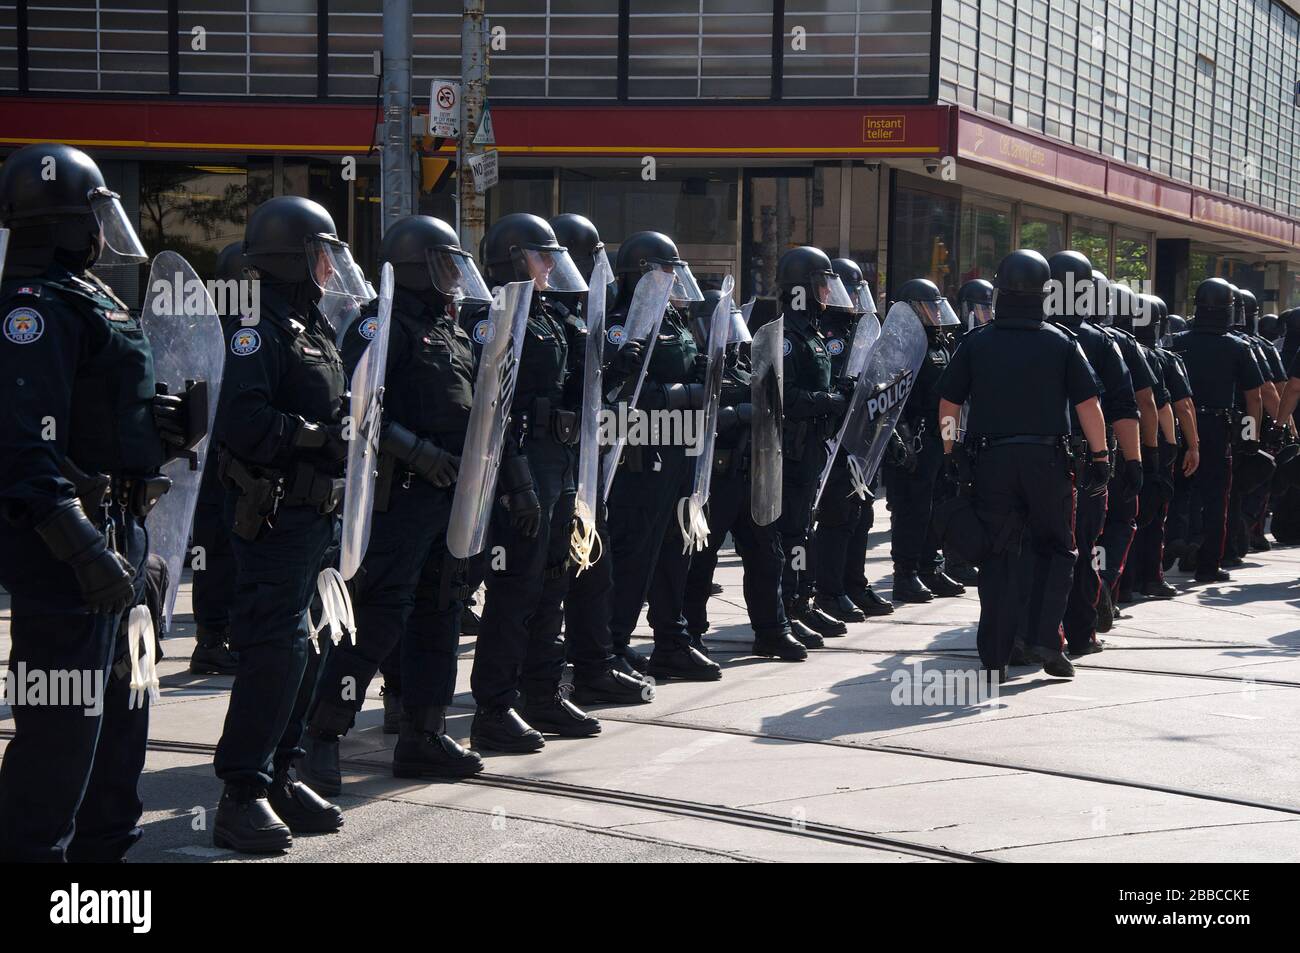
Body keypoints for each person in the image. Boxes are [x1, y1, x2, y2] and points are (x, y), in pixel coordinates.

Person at [0, 142, 179, 861]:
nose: (106, 230)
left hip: (122, 528)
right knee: (62, 724)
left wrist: (154, 425)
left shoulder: (86, 294)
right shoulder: (32, 310)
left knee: (122, 710)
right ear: (63, 221)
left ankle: (103, 866)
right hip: (69, 548)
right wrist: (80, 545)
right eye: (94, 214)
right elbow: (22, 448)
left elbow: (92, 409)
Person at [297, 215, 487, 794]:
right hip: (398, 499)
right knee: (377, 620)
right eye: (444, 263)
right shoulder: (380, 324)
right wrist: (418, 452)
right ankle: (323, 733)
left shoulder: (447, 327)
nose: (454, 275)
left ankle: (423, 734)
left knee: (441, 612)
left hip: (450, 498)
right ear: (416, 267)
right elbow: (356, 407)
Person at [211, 195, 363, 852]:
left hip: (316, 513)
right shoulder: (255, 327)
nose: (330, 266)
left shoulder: (312, 324)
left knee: (311, 648)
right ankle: (242, 789)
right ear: (291, 257)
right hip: (272, 515)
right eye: (319, 253)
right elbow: (240, 421)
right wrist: (314, 438)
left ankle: (282, 771)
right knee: (275, 652)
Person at [463, 213, 602, 752]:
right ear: (514, 257)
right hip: (518, 464)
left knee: (553, 582)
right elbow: (493, 405)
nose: (551, 265)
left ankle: (542, 692)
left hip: (557, 460)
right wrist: (515, 480)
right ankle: (493, 707)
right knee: (514, 589)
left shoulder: (544, 314)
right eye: (540, 255)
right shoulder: (493, 314)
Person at [936, 249, 1108, 679]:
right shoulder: (1061, 342)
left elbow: (949, 403)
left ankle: (996, 650)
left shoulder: (976, 342)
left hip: (991, 460)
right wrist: (1102, 456)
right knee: (1056, 550)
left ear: (1000, 290)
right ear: (1045, 292)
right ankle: (1046, 642)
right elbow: (1089, 405)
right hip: (1047, 462)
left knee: (998, 552)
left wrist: (950, 452)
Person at [599, 231, 721, 680]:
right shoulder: (622, 323)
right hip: (639, 452)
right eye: (665, 270)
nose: (673, 278)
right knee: (636, 553)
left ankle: (672, 640)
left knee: (676, 548)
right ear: (642, 274)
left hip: (678, 450)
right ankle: (613, 644)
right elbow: (622, 392)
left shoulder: (672, 320)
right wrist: (693, 391)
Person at [543, 212, 653, 704]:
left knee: (595, 570)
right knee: (543, 588)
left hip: (582, 468)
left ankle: (595, 665)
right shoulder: (539, 318)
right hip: (545, 469)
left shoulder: (579, 317)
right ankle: (540, 685)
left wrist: (612, 373)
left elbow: (586, 396)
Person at [677, 291, 807, 661]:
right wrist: (737, 414)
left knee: (768, 557)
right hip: (710, 480)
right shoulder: (693, 367)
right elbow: (690, 419)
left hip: (751, 477)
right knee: (699, 562)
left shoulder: (742, 365)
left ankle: (772, 630)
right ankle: (690, 633)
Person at [1043, 251, 1138, 655]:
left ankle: (1034, 632)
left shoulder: (1020, 333)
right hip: (1086, 462)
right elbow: (1124, 407)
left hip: (1033, 461)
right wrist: (1132, 461)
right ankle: (1080, 634)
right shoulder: (1102, 342)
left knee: (1034, 548)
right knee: (1084, 547)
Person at [775, 246, 858, 644]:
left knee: (803, 528)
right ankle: (788, 606)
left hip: (811, 447)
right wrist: (832, 401)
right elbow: (787, 398)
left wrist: (841, 391)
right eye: (822, 284)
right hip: (791, 450)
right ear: (802, 287)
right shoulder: (787, 336)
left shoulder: (812, 331)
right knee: (792, 531)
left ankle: (802, 601)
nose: (828, 292)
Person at [809, 258, 894, 620]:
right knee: (837, 518)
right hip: (835, 441)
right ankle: (830, 590)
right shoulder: (828, 335)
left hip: (863, 439)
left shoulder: (862, 331)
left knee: (862, 515)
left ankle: (854, 582)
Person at [1169, 278, 1264, 584]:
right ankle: (1209, 564)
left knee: (1175, 491)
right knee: (1216, 498)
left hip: (1178, 423)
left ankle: (1171, 548)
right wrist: (1251, 435)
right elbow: (1255, 397)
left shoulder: (1177, 340)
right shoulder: (1238, 346)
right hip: (1217, 427)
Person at [881, 278, 964, 604]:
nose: (934, 313)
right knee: (911, 509)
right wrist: (901, 436)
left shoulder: (941, 343)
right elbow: (888, 394)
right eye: (927, 307)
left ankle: (930, 566)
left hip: (938, 434)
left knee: (936, 505)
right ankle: (906, 573)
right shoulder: (900, 345)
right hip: (911, 437)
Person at [189, 240, 245, 675]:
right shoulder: (241, 331)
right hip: (226, 461)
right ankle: (213, 638)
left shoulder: (207, 326)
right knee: (222, 553)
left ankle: (215, 636)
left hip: (215, 461)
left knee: (219, 553)